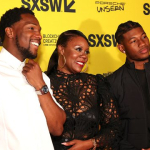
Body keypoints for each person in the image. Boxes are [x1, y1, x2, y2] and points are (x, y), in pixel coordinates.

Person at [0, 7, 66, 150]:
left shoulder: (39, 76)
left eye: (39, 31)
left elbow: (57, 128)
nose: (39, 36)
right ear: (10, 32)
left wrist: (40, 85)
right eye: (31, 28)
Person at [44, 29, 120, 150]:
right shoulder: (42, 82)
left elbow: (114, 128)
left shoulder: (96, 83)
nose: (84, 56)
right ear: (61, 49)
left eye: (86, 52)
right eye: (78, 49)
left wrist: (90, 143)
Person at [107, 21, 150, 150]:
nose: (142, 43)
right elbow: (111, 129)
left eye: (144, 36)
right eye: (133, 41)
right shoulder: (112, 82)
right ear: (121, 48)